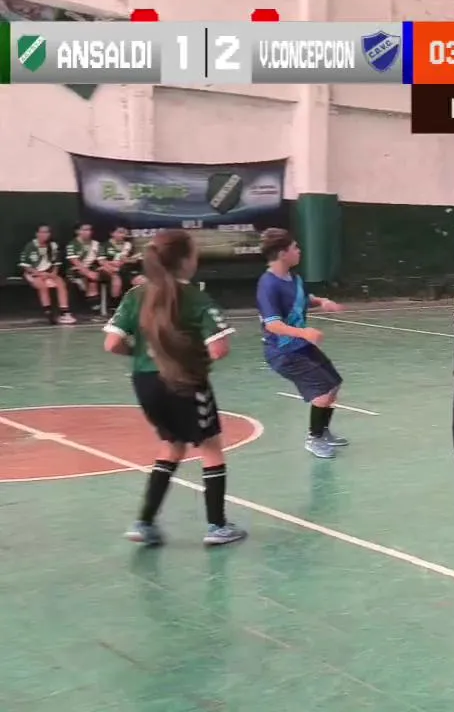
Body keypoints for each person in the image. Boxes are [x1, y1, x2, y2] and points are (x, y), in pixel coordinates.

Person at [101, 229, 245, 546]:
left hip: (145, 383)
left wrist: (142, 354)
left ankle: (144, 523)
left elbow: (112, 344)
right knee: (210, 446)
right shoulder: (195, 297)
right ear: (185, 261)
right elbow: (219, 349)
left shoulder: (136, 295)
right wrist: (187, 360)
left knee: (172, 444)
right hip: (184, 380)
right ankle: (217, 526)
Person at [255, 228, 348, 459]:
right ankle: (314, 439)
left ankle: (322, 431)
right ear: (282, 253)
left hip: (299, 346)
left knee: (334, 384)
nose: (299, 251)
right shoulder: (268, 285)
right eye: (295, 247)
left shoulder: (293, 278)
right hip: (282, 351)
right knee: (322, 391)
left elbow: (303, 299)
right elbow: (272, 324)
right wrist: (303, 332)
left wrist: (322, 301)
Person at [17, 225, 75, 325]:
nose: (45, 235)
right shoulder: (30, 246)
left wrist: (52, 274)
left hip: (48, 272)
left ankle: (65, 313)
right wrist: (39, 274)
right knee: (42, 285)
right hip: (33, 273)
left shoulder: (53, 246)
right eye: (42, 232)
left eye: (47, 232)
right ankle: (49, 313)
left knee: (61, 283)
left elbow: (56, 264)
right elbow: (25, 266)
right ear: (37, 234)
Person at [99, 226, 144, 311]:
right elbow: (102, 261)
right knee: (116, 278)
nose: (122, 235)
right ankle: (115, 306)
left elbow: (133, 260)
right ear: (112, 233)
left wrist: (129, 260)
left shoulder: (128, 245)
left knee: (140, 280)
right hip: (110, 270)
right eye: (119, 232)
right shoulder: (104, 245)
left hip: (126, 269)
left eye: (124, 233)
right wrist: (113, 267)